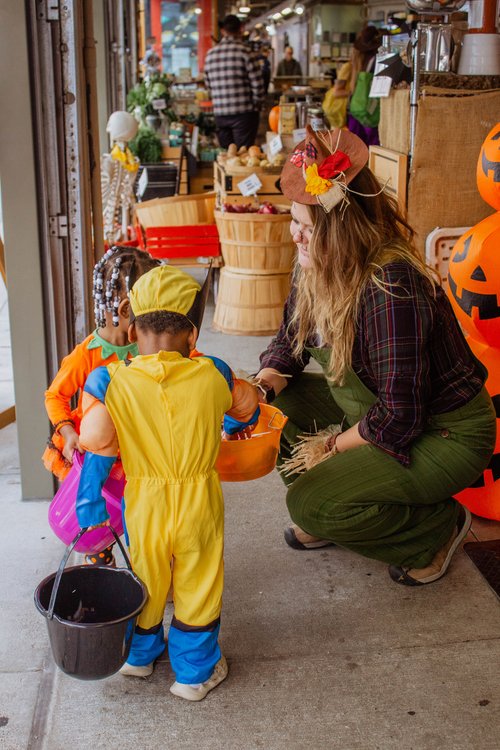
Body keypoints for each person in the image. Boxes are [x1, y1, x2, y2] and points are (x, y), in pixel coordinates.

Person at [255, 125, 496, 586]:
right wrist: (259, 386)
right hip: (380, 408)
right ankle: (344, 507)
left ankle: (435, 531)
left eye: (306, 228)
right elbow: (290, 343)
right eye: (295, 222)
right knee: (274, 410)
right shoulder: (317, 266)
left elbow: (400, 417)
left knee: (308, 503)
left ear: (340, 230)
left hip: (444, 432)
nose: (295, 237)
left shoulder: (391, 286)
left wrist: (329, 447)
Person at [75, 265, 260, 699]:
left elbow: (97, 450)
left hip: (145, 502)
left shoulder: (109, 381)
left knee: (147, 577)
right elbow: (247, 411)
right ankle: (194, 675)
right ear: (193, 336)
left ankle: (138, 658)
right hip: (198, 499)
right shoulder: (213, 372)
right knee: (198, 581)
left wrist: (91, 514)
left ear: (134, 327)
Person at [43, 245, 160, 565]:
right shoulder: (86, 355)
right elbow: (54, 396)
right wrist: (67, 433)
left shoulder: (147, 349)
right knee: (97, 517)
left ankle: (149, 565)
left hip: (134, 452)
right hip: (92, 454)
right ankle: (99, 552)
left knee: (139, 514)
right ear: (126, 311)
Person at [204, 14, 264, 149]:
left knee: (227, 156)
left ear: (223, 31)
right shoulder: (246, 52)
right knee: (244, 157)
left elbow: (208, 86)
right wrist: (256, 105)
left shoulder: (210, 55)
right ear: (240, 30)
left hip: (220, 113)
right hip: (244, 114)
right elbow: (258, 85)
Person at [341, 25, 382, 146]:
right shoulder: (376, 60)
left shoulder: (357, 62)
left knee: (356, 149)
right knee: (372, 146)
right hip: (369, 112)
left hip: (354, 110)